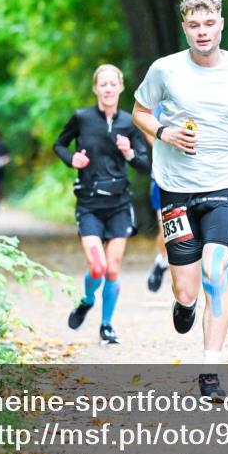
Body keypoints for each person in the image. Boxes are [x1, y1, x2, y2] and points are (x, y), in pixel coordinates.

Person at [132, 0, 228, 400]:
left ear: (221, 24)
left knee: (216, 274)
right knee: (187, 290)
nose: (202, 31)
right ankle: (184, 305)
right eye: (194, 25)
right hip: (176, 189)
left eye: (209, 23)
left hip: (225, 185)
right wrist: (164, 132)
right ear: (184, 28)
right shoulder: (165, 70)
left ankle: (210, 373)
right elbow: (139, 111)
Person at [54, 64, 150, 346]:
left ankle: (107, 326)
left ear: (121, 87)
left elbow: (145, 165)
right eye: (103, 84)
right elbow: (59, 145)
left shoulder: (129, 123)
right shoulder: (81, 118)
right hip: (89, 204)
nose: (108, 89)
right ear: (96, 88)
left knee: (112, 269)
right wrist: (71, 159)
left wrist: (129, 152)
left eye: (113, 84)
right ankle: (86, 301)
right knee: (97, 267)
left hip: (120, 204)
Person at [145, 106, 169, 293]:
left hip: (195, 176)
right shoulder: (160, 95)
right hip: (163, 175)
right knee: (166, 229)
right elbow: (147, 128)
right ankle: (162, 261)